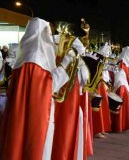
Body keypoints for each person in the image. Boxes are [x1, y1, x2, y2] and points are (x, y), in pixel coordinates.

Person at [0, 17, 76, 160]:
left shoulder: (23, 58)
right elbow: (48, 87)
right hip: (38, 116)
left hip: (21, 115)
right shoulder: (36, 58)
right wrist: (65, 63)